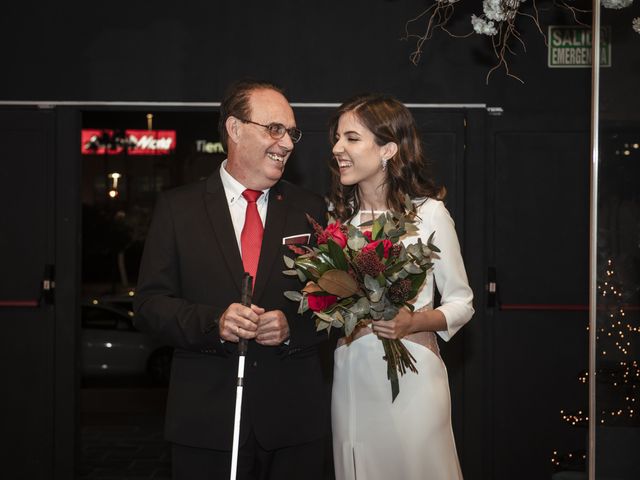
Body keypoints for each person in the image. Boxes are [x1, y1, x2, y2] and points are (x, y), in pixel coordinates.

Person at [134, 80, 329, 480]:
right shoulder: (177, 209)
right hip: (207, 422)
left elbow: (336, 307)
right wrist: (214, 323)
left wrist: (293, 326)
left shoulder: (309, 210)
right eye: (274, 129)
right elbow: (150, 306)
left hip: (293, 422)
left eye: (292, 132)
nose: (287, 143)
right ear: (235, 129)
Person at [328, 94, 474, 480]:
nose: (337, 148)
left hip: (412, 379)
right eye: (337, 137)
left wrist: (414, 322)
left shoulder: (429, 213)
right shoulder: (337, 223)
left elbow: (462, 302)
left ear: (388, 148)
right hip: (351, 378)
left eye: (351, 138)